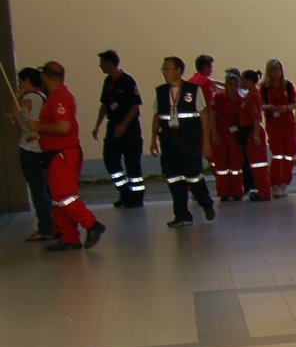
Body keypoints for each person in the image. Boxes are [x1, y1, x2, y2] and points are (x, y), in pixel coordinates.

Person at [33, 61, 105, 252]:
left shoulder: (60, 98)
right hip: (54, 154)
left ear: (46, 76)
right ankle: (69, 237)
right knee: (57, 198)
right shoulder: (53, 98)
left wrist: (37, 126)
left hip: (63, 154)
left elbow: (63, 127)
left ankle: (91, 224)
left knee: (65, 196)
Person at [150, 56, 216, 228]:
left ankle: (206, 203)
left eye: (167, 68)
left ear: (178, 70)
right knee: (173, 177)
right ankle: (181, 214)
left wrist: (206, 142)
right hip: (168, 140)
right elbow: (157, 116)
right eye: (163, 69)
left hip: (188, 140)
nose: (164, 72)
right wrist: (152, 140)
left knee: (193, 175)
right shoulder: (161, 91)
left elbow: (203, 116)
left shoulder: (193, 90)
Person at [92, 49, 144, 208]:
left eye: (102, 62)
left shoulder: (127, 81)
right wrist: (97, 125)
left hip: (129, 128)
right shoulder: (108, 82)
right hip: (113, 126)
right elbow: (105, 104)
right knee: (110, 158)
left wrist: (124, 125)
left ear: (110, 63)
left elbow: (135, 106)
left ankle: (136, 197)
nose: (99, 66)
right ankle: (124, 192)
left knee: (132, 163)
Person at [13, 67, 54, 242]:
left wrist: (16, 96)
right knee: (44, 188)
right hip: (42, 148)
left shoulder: (29, 99)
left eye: (21, 81)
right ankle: (51, 224)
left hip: (30, 149)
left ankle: (45, 228)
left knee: (38, 190)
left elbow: (19, 120)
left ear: (28, 82)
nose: (20, 84)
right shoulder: (44, 97)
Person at [262, 58, 296, 197]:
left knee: (289, 154)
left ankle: (285, 182)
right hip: (273, 125)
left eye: (278, 69)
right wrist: (271, 107)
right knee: (277, 154)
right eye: (273, 69)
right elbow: (261, 104)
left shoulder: (287, 85)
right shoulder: (265, 87)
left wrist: (286, 107)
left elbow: (294, 103)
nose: (276, 72)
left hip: (288, 123)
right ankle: (274, 182)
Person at [210, 67, 244, 200]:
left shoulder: (241, 100)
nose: (233, 87)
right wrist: (214, 134)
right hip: (221, 135)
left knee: (236, 165)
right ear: (226, 85)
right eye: (230, 84)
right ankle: (223, 192)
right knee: (221, 166)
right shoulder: (218, 98)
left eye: (235, 84)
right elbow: (212, 116)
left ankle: (237, 190)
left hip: (235, 137)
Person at [238, 69, 272, 201]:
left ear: (250, 81)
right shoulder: (248, 95)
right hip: (248, 131)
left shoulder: (254, 96)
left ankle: (264, 192)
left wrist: (256, 135)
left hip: (253, 131)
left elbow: (256, 118)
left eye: (243, 79)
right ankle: (260, 190)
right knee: (253, 164)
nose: (241, 82)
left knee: (259, 164)